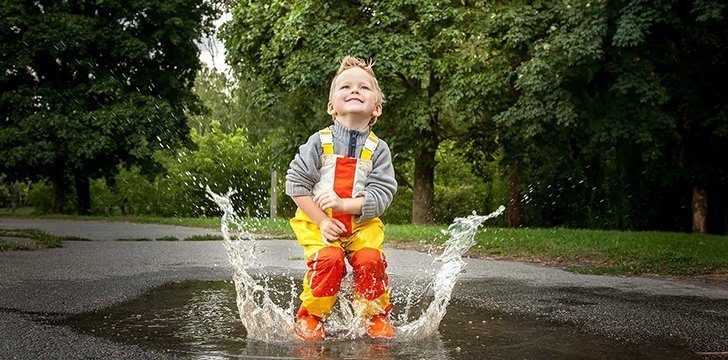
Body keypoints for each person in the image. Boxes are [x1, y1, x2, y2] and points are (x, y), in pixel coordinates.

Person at [285, 56, 398, 341]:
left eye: (364, 88)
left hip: (362, 224)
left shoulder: (378, 149)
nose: (355, 91)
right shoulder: (318, 142)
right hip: (320, 224)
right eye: (345, 86)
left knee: (371, 259)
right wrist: (323, 220)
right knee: (329, 260)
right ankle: (312, 316)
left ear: (377, 107)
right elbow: (295, 185)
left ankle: (374, 315)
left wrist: (345, 205)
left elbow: (382, 194)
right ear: (332, 106)